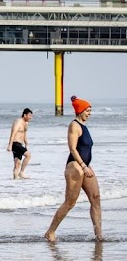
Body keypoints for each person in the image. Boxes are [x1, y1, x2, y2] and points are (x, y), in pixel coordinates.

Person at [45, 96, 102, 242]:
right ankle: (50, 232)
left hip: (85, 166)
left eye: (90, 111)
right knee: (70, 202)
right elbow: (72, 148)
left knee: (95, 198)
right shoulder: (74, 125)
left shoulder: (84, 127)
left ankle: (99, 236)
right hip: (75, 166)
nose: (89, 113)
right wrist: (83, 166)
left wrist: (86, 166)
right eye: (87, 111)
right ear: (80, 110)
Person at [6, 108, 33, 179]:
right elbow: (13, 133)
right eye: (29, 116)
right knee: (28, 155)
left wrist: (26, 143)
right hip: (15, 144)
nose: (31, 117)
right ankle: (22, 172)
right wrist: (10, 145)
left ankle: (15, 183)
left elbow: (24, 134)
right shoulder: (18, 122)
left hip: (20, 144)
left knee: (17, 163)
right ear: (25, 115)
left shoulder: (26, 123)